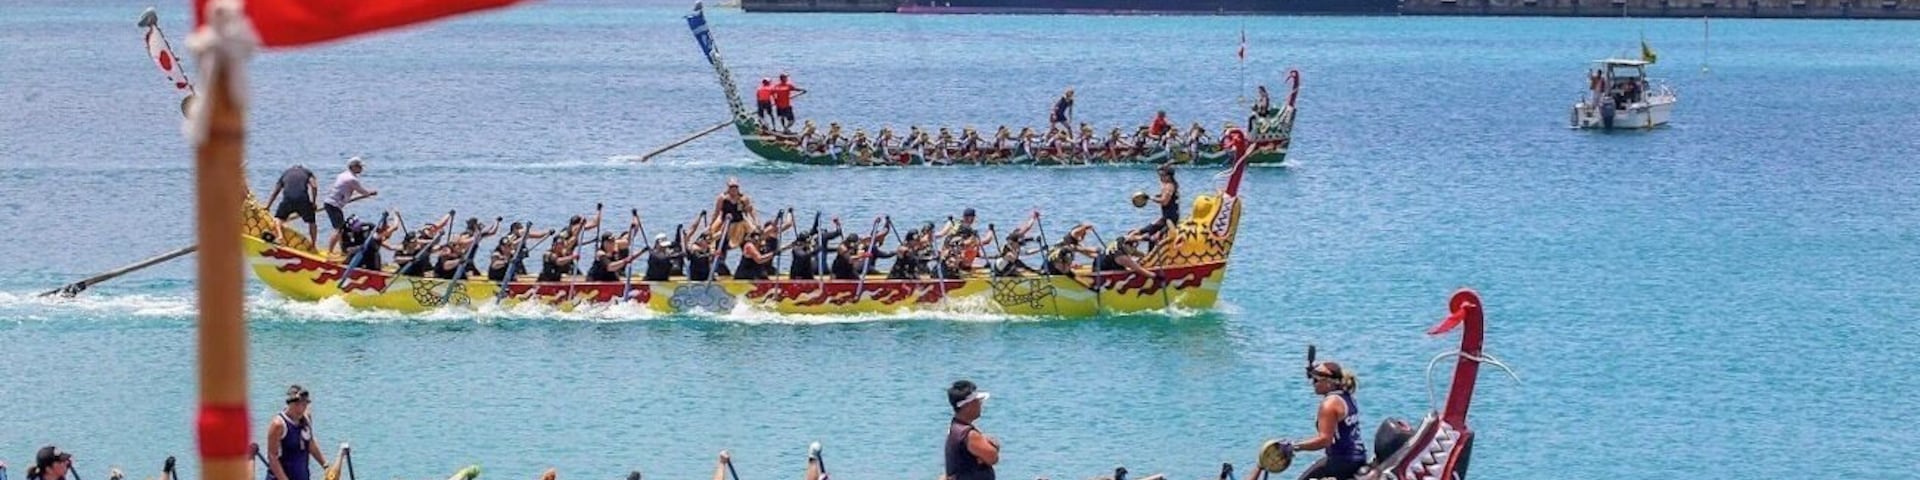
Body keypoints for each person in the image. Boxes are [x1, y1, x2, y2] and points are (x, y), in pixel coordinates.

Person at [1270, 361, 1366, 480]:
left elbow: (1324, 440)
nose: (1313, 384)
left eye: (1316, 380)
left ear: (1329, 382)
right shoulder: (1348, 397)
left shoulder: (1329, 404)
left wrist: (1293, 446)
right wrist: (1312, 370)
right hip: (1358, 457)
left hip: (1342, 463)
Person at [267, 385, 329, 480]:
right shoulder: (278, 424)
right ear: (289, 403)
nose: (300, 409)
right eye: (296, 404)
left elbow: (310, 443)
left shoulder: (306, 419)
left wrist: (325, 465)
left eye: (304, 405)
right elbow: (272, 457)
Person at [945, 380, 998, 480]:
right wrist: (994, 446)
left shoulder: (954, 428)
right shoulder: (969, 434)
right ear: (968, 405)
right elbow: (993, 457)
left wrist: (981, 457)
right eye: (978, 401)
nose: (980, 405)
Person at [323, 157, 377, 255]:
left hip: (332, 203)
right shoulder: (351, 179)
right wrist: (370, 193)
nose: (361, 169)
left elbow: (345, 190)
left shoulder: (342, 175)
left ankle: (342, 251)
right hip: (333, 204)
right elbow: (362, 191)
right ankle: (330, 251)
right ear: (353, 167)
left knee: (342, 228)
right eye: (360, 167)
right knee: (338, 229)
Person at [265, 164, 319, 246]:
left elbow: (276, 191)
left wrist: (268, 206)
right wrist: (314, 203)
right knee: (312, 222)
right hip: (303, 200)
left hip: (288, 200)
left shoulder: (285, 173)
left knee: (277, 219)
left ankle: (280, 237)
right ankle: (313, 244)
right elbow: (314, 186)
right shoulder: (307, 172)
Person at [488, 222, 554, 282]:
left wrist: (548, 233)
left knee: (520, 273)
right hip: (497, 277)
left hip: (514, 262)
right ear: (514, 229)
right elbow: (495, 264)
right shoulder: (508, 240)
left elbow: (538, 235)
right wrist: (507, 261)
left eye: (509, 246)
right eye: (505, 246)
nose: (508, 247)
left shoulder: (513, 247)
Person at [1141, 164, 1180, 239]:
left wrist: (1151, 198)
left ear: (1168, 176)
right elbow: (1167, 198)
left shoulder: (1169, 186)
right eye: (1159, 175)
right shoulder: (1170, 185)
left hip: (1170, 220)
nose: (1160, 177)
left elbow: (1164, 201)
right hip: (1166, 218)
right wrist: (1157, 196)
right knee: (1148, 231)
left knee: (1154, 237)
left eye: (1162, 175)